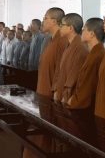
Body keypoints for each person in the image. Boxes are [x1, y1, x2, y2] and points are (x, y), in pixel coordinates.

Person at [23, 8, 68, 158]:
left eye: (45, 18)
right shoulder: (50, 39)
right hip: (42, 92)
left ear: (54, 21)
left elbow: (61, 72)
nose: (43, 21)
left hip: (51, 96)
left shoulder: (62, 41)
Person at [65, 18, 104, 108]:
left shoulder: (97, 56)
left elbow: (87, 89)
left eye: (84, 29)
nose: (82, 32)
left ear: (91, 34)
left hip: (86, 106)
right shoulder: (95, 53)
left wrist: (74, 101)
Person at [52, 13, 89, 104]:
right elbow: (61, 70)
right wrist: (56, 89)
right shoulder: (69, 44)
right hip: (61, 93)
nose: (59, 28)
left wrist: (66, 95)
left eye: (62, 25)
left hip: (68, 98)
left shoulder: (80, 47)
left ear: (71, 28)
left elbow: (75, 76)